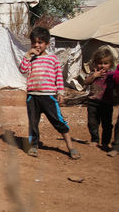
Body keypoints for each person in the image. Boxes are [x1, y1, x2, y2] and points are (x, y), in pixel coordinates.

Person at [19, 27, 80, 159]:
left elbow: (59, 76)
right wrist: (27, 56)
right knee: (33, 123)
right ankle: (34, 146)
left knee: (58, 120)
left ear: (47, 44)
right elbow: (22, 70)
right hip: (32, 96)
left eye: (40, 42)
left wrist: (60, 92)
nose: (36, 45)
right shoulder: (31, 59)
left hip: (48, 96)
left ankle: (70, 146)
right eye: (34, 42)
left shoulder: (53, 59)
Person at [83, 46, 115, 149]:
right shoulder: (93, 73)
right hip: (93, 102)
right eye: (100, 63)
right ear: (96, 63)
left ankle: (105, 142)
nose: (102, 66)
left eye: (106, 63)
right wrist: (94, 76)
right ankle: (95, 139)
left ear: (111, 64)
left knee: (107, 124)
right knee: (92, 122)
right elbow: (86, 82)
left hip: (106, 103)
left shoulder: (112, 75)